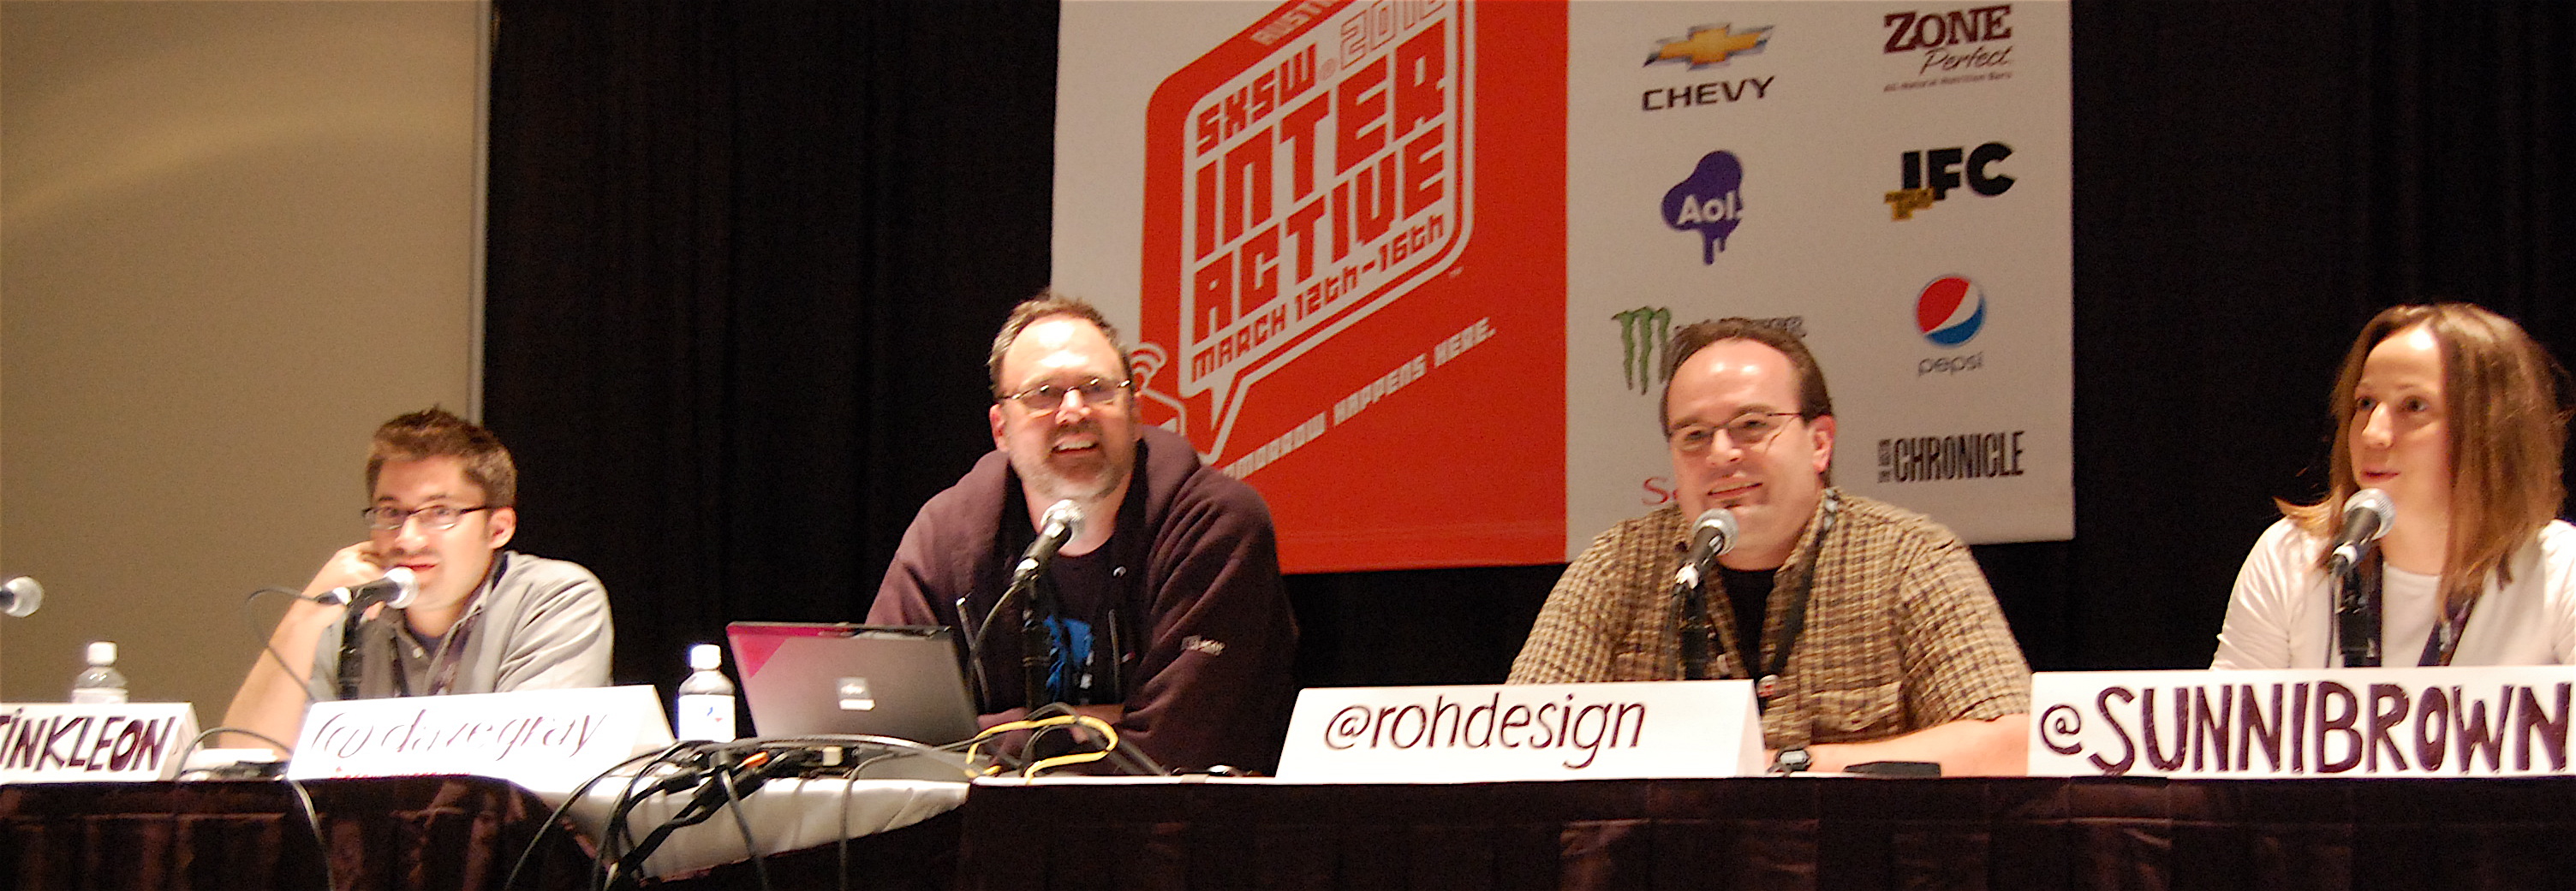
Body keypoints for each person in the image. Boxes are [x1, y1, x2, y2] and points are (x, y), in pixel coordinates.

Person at [1510, 318, 2031, 775]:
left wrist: (1790, 767)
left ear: (1819, 443)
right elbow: (1515, 738)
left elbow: (2010, 742)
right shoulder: (1616, 567)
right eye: (1693, 435)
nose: (1720, 454)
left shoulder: (1908, 558)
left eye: (1752, 426)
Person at [869, 292, 1298, 773]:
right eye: (1043, 393)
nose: (1074, 412)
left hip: (1174, 841)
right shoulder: (946, 535)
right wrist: (1083, 725)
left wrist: (990, 736)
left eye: (1097, 388)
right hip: (981, 842)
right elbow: (883, 740)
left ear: (1134, 411)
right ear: (1001, 429)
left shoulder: (1216, 525)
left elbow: (1176, 750)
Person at [222, 408, 613, 752]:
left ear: (498, 528)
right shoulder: (349, 615)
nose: (407, 539)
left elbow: (529, 767)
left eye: (440, 512)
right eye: (391, 512)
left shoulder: (555, 599)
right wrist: (306, 614)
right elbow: (245, 756)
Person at [2213, 303, 2576, 668]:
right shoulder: (2291, 555)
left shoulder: (2562, 570)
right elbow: (2227, 720)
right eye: (2365, 403)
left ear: (2490, 432)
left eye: (2414, 406)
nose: (2373, 434)